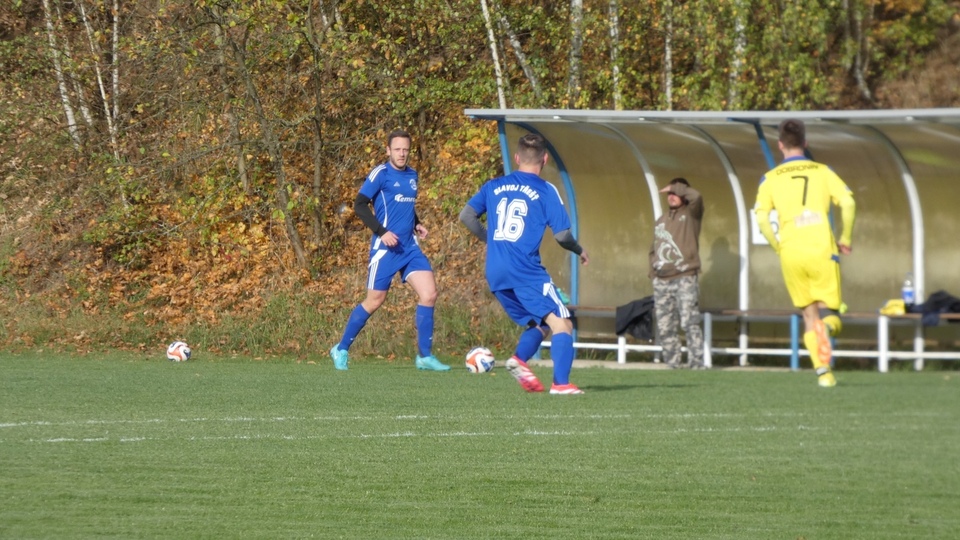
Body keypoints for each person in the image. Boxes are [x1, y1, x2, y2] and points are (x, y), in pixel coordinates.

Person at [460, 133, 590, 395]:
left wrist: (490, 239)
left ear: (517, 158)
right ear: (545, 159)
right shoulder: (545, 190)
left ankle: (519, 360)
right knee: (562, 323)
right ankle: (561, 384)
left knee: (540, 323)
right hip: (525, 271)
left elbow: (467, 216)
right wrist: (579, 250)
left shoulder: (494, 185)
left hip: (496, 271)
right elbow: (562, 236)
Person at [329, 130, 450, 371]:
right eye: (397, 149)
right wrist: (382, 232)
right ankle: (341, 349)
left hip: (409, 248)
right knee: (375, 300)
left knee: (429, 294)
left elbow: (404, 206)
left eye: (405, 149)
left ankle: (425, 356)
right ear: (388, 150)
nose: (402, 153)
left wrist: (416, 223)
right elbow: (360, 205)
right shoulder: (380, 174)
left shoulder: (413, 175)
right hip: (385, 249)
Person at [755, 119, 856, 388]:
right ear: (805, 143)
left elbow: (762, 218)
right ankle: (829, 329)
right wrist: (845, 238)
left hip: (791, 251)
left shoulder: (770, 178)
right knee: (830, 314)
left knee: (809, 314)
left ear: (780, 145)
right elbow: (848, 202)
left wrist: (778, 246)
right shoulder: (823, 171)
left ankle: (824, 373)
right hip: (821, 248)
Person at [648, 177, 706, 369]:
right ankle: (673, 364)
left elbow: (696, 197)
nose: (671, 196)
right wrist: (653, 271)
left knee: (690, 322)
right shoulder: (662, 219)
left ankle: (696, 363)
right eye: (669, 194)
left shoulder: (692, 214)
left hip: (685, 276)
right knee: (665, 325)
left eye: (676, 193)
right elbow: (654, 247)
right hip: (662, 279)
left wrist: (676, 187)